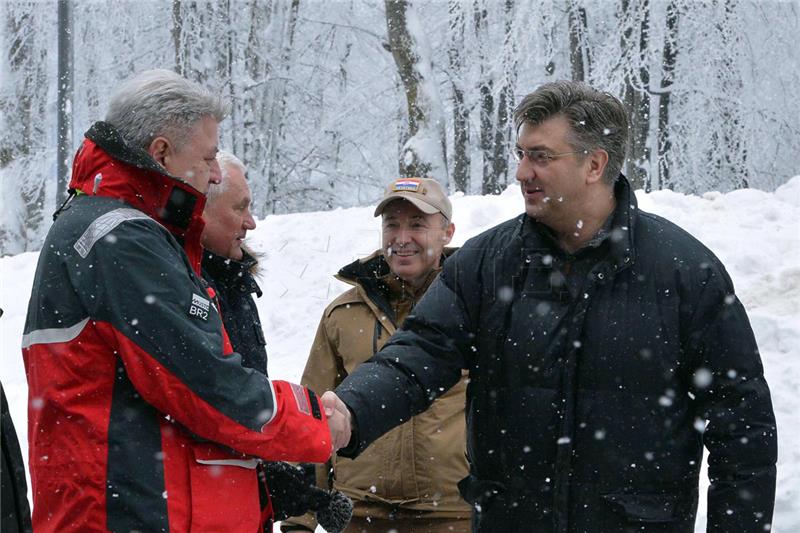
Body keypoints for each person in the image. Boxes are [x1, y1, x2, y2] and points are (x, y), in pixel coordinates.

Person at [323, 81, 778, 532]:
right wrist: (354, 408)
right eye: (521, 154)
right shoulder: (487, 265)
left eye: (540, 157)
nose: (522, 172)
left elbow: (742, 427)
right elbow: (420, 354)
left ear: (594, 165)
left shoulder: (684, 273)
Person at [21, 69, 340, 533]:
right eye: (209, 157)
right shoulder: (122, 238)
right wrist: (316, 422)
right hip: (123, 514)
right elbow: (205, 384)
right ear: (162, 152)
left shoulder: (116, 227)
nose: (214, 174)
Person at [283, 177, 471, 533]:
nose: (402, 238)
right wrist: (300, 519)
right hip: (361, 511)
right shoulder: (343, 314)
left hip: (454, 512)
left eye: (417, 224)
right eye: (392, 225)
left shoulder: (472, 308)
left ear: (447, 232)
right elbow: (311, 413)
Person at [201, 151, 353, 532]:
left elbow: (246, 418)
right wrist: (317, 431)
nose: (251, 223)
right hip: (204, 511)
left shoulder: (234, 284)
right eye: (240, 209)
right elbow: (222, 401)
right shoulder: (181, 290)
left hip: (237, 510)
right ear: (199, 210)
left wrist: (288, 489)